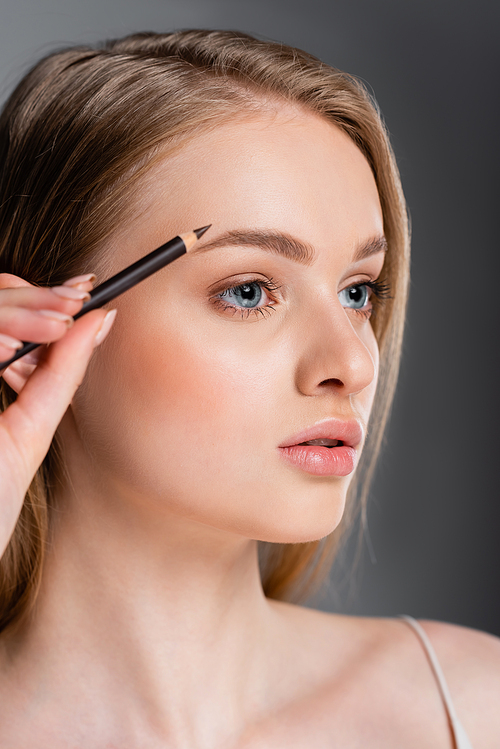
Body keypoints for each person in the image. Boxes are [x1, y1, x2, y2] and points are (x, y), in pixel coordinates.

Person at [0, 29, 498, 747]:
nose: (352, 364)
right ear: (49, 327)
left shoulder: (477, 708)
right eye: (248, 290)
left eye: (358, 291)